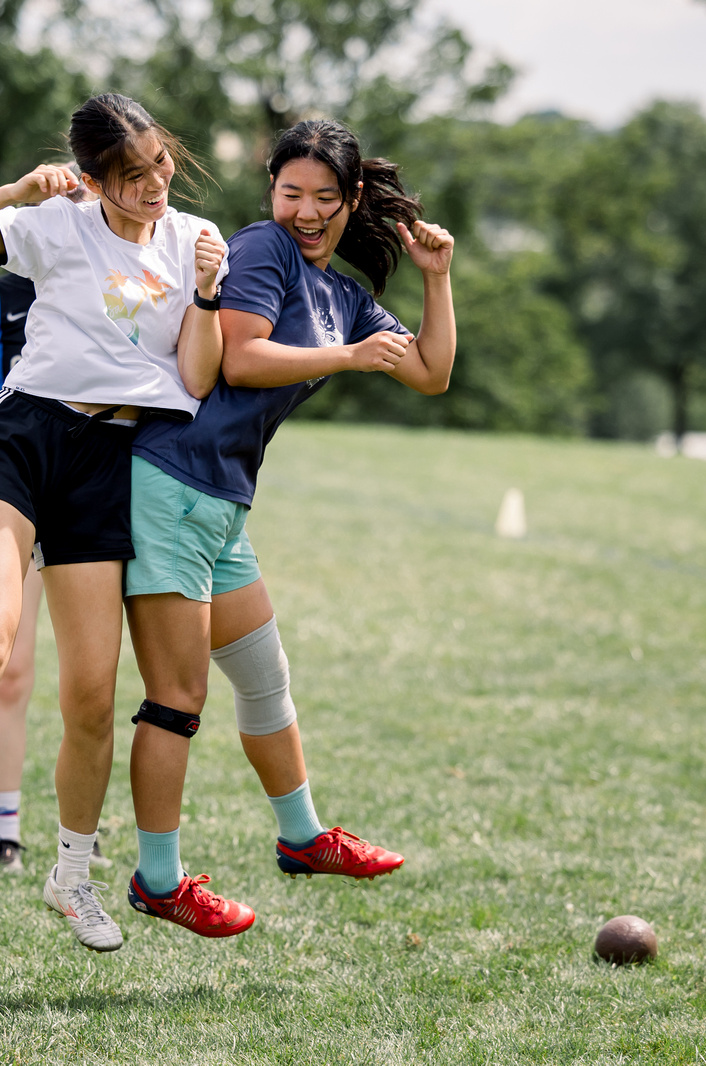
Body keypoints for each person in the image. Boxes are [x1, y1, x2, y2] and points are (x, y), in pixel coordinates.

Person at [122, 119, 456, 936]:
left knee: (265, 679)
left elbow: (430, 374)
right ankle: (157, 880)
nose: (304, 211)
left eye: (323, 197)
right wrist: (344, 359)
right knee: (177, 699)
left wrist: (437, 280)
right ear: (272, 192)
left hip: (222, 506)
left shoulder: (343, 297)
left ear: (351, 202)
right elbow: (241, 358)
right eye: (290, 191)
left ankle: (303, 839)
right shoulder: (261, 250)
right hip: (167, 485)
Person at [0, 93, 226, 952]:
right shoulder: (54, 223)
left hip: (110, 463)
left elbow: (197, 378)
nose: (153, 186)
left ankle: (72, 874)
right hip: (22, 438)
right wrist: (19, 189)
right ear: (95, 178)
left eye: (160, 165)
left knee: (93, 694)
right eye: (131, 178)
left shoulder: (194, 239)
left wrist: (207, 292)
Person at [0, 165, 109, 876]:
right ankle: (0, 828)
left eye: (82, 193)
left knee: (88, 676)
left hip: (85, 481)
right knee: (6, 663)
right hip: (11, 476)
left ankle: (78, 833)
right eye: (60, 194)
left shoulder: (116, 279)